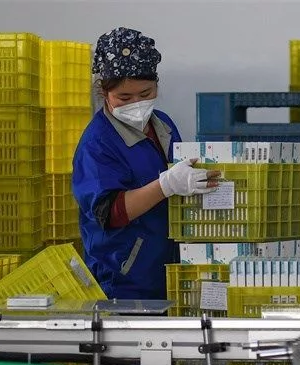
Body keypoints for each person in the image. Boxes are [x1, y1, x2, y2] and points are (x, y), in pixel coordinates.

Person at [72, 26, 220, 301]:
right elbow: (109, 212)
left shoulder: (163, 125)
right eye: (124, 98)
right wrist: (166, 185)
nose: (137, 104)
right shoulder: (98, 142)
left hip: (170, 270)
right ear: (104, 92)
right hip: (123, 279)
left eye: (145, 93)